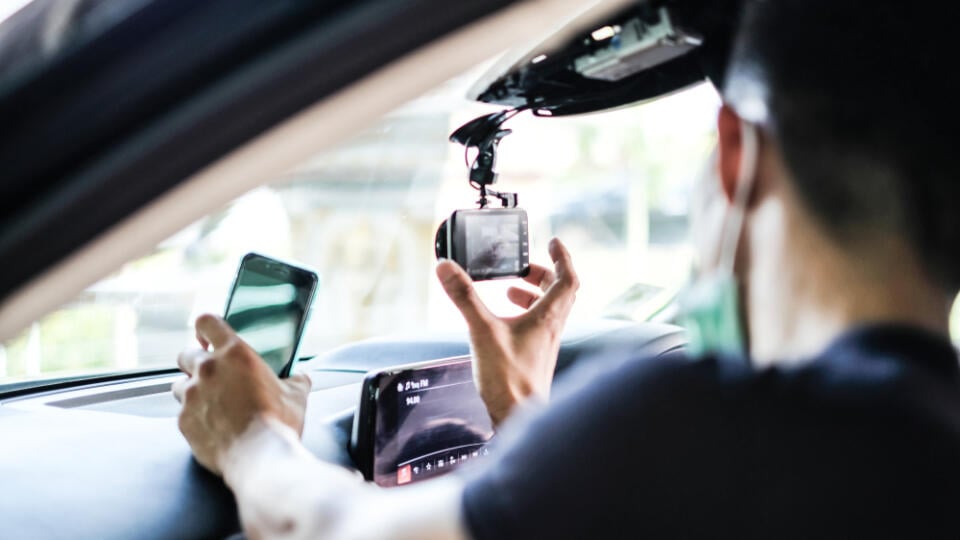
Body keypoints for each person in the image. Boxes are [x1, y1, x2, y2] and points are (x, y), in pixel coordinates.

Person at [173, 1, 960, 538]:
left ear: (737, 156)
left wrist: (250, 435)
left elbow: (345, 531)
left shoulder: (708, 426)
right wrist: (524, 409)